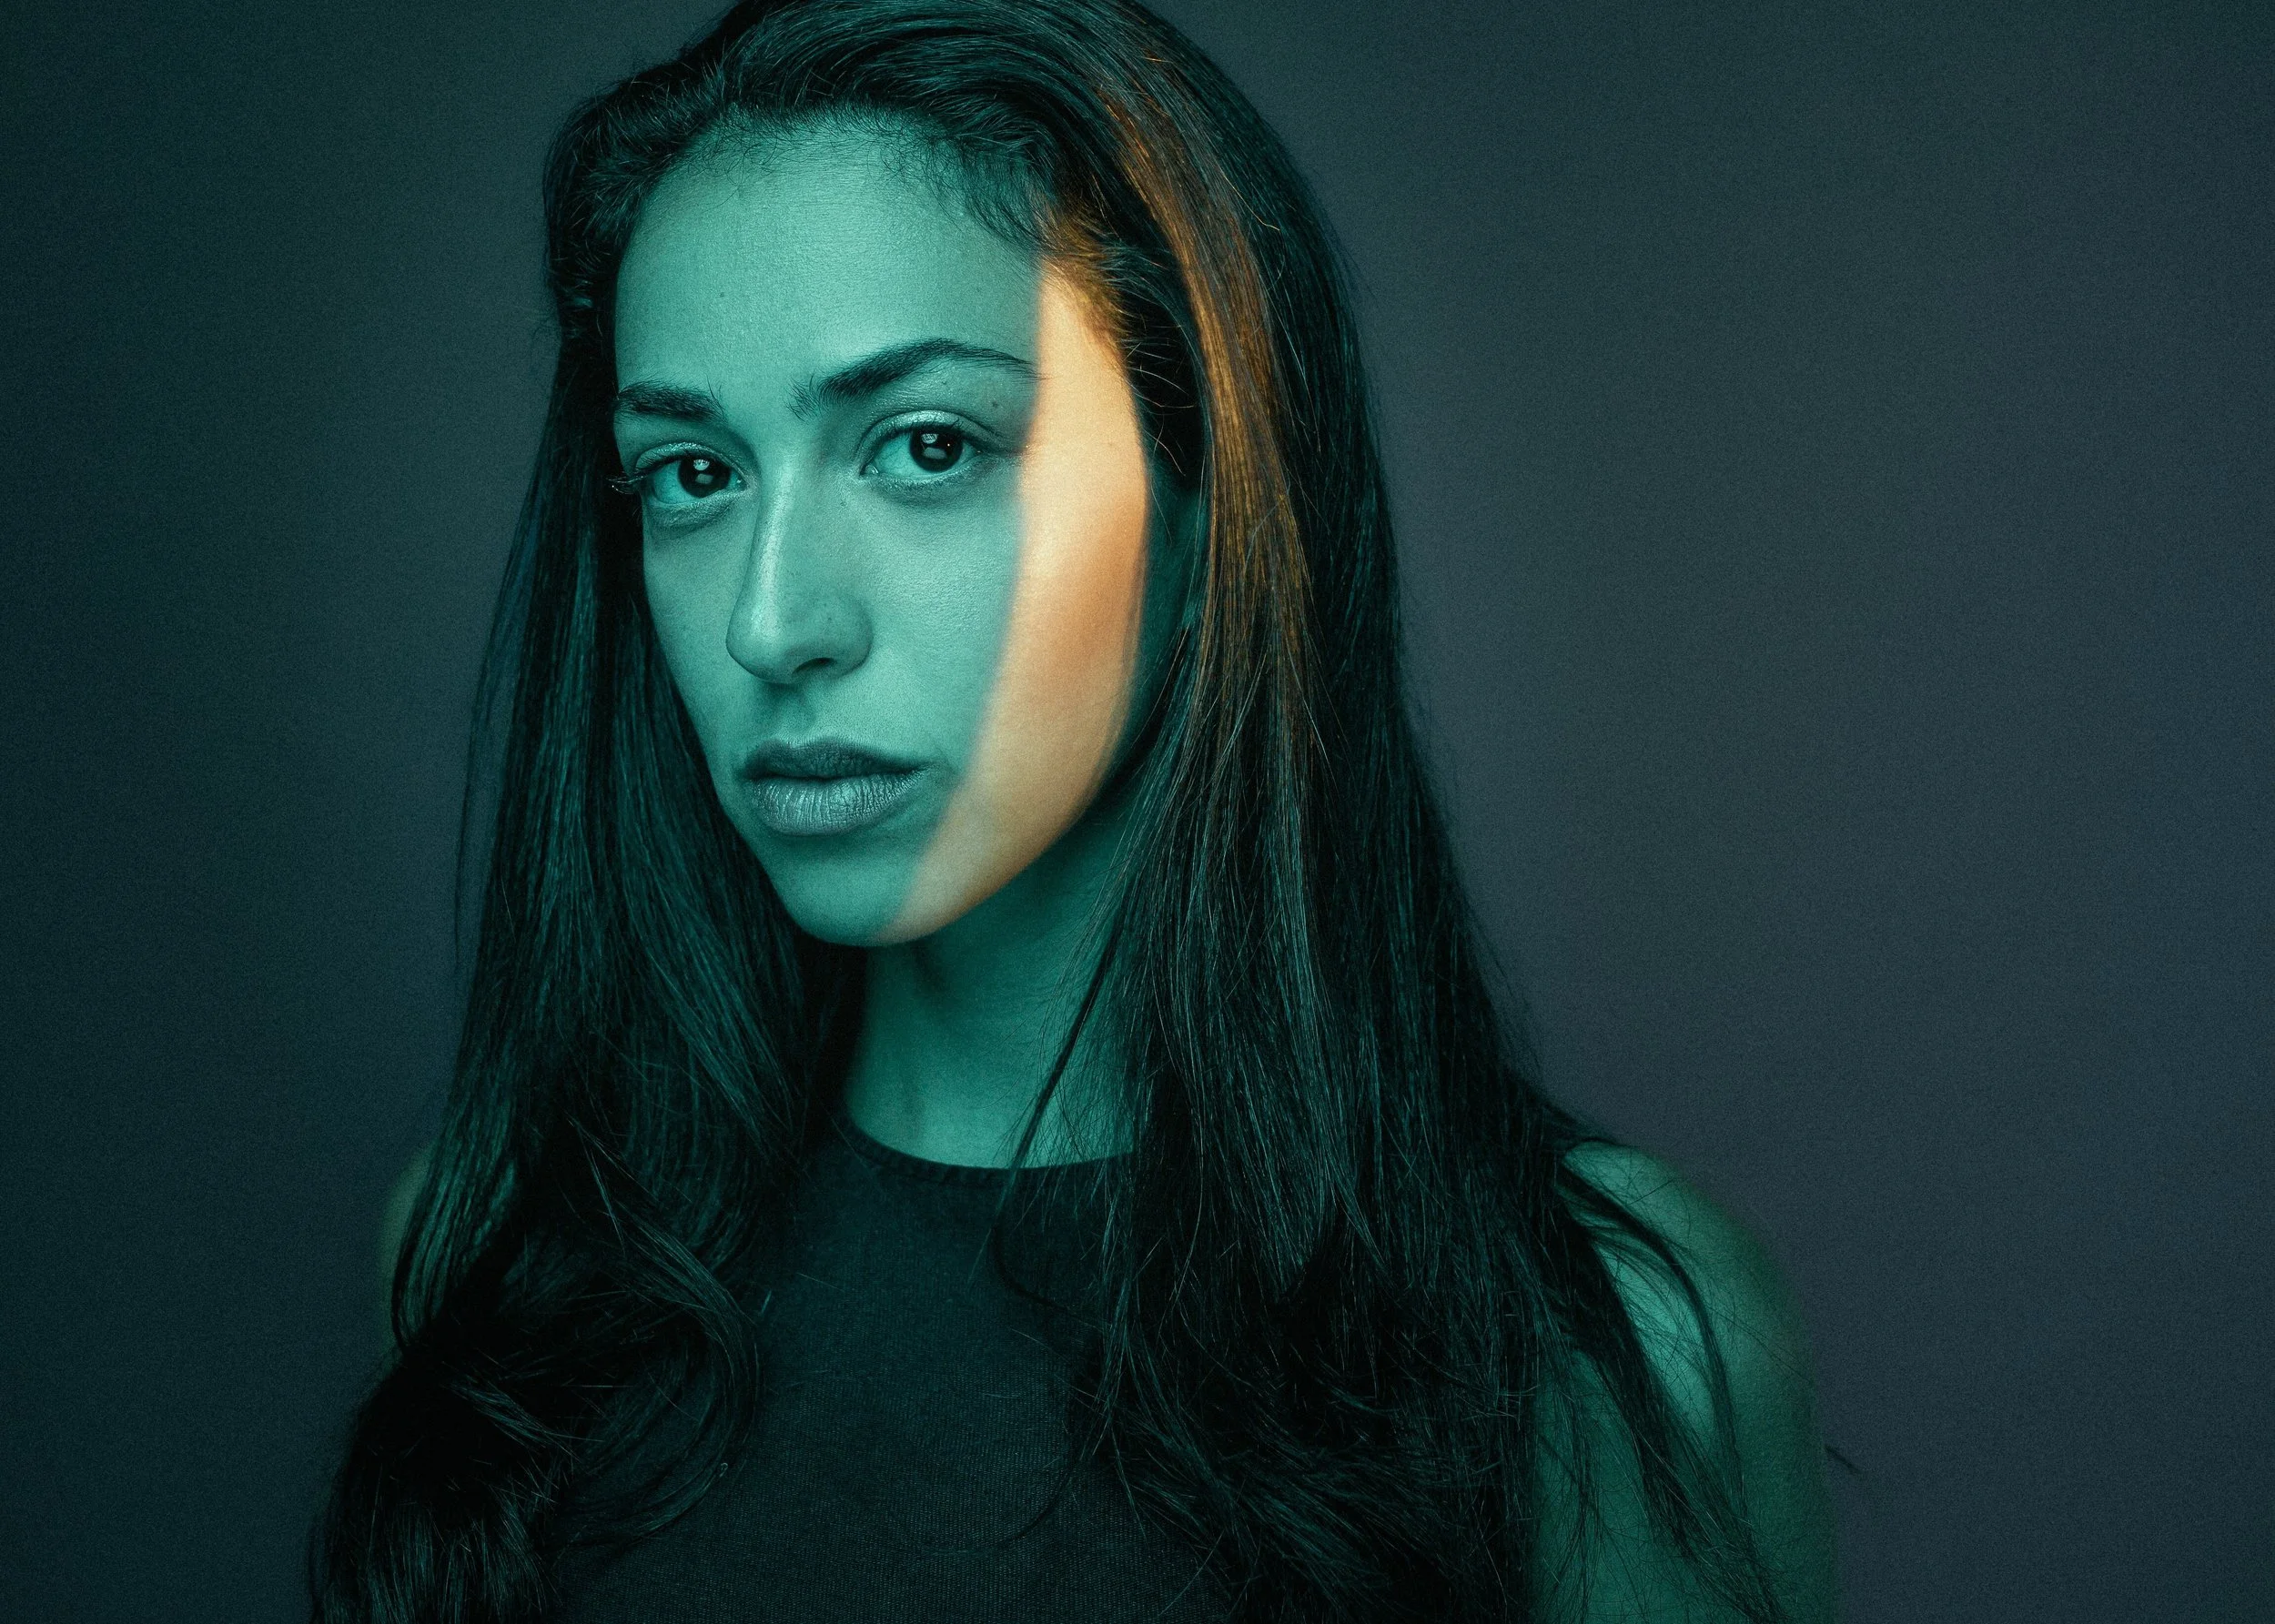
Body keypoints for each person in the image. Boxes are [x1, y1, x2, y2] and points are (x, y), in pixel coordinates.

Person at [314, 2, 1836, 1619]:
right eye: (692, 473)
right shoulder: (495, 1255)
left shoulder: (1598, 1338)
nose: (772, 623)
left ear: (1213, 503)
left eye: (924, 445)